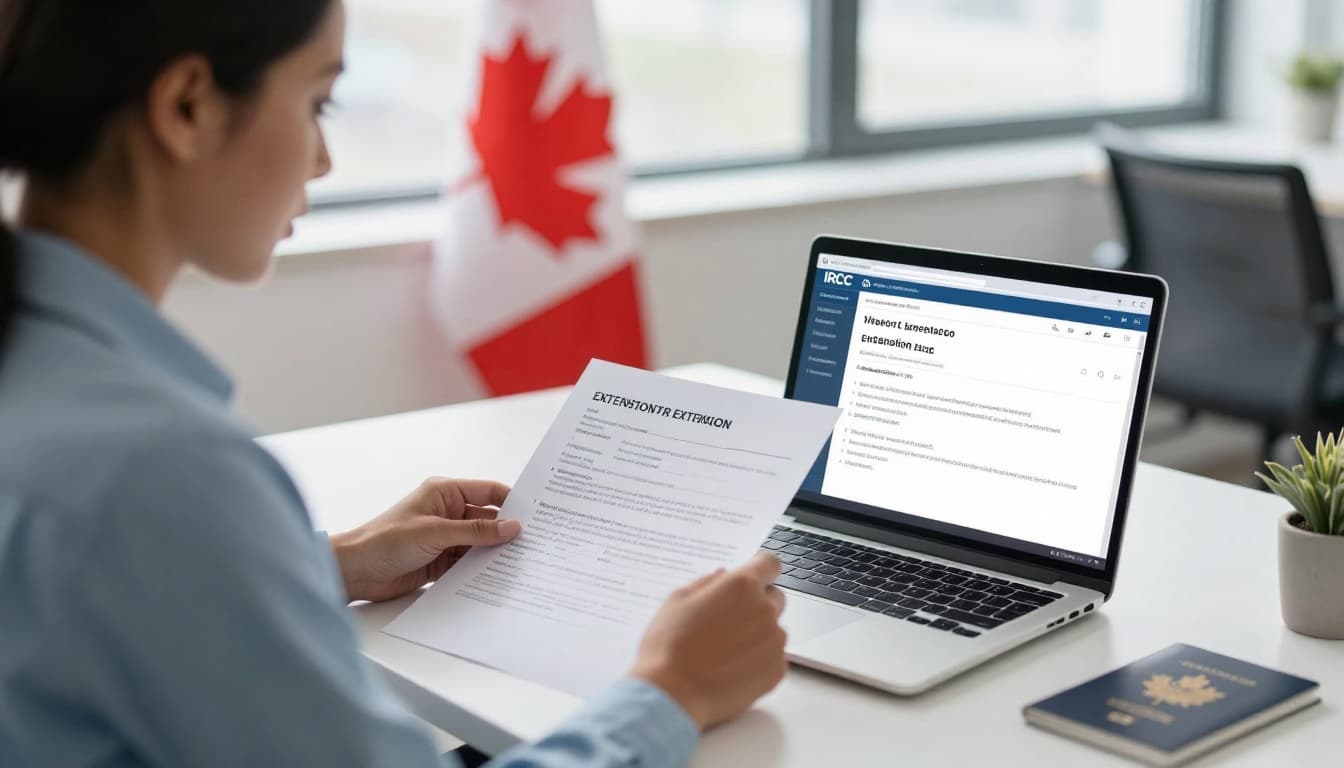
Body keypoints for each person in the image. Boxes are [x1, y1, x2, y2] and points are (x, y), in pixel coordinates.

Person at [0, 1, 788, 765]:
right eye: (318, 101)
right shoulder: (162, 472)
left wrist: (335, 560)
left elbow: (74, 595)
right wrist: (672, 690)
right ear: (187, 106)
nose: (324, 158)